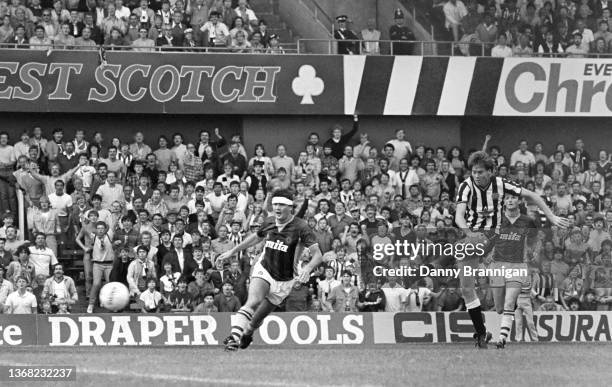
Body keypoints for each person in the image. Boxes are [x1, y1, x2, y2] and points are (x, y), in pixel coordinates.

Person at [455, 149, 569, 348]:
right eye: (474, 172)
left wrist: (551, 217)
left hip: (491, 233)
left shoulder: (501, 183)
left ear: (491, 171)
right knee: (467, 289)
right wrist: (468, 233)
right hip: (472, 236)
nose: (477, 176)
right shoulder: (466, 186)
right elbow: (459, 216)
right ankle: (482, 333)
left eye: (481, 172)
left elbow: (533, 195)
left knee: (462, 249)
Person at [217, 189, 324, 350]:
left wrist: (307, 269)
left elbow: (318, 255)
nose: (277, 208)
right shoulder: (269, 221)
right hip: (265, 268)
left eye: (281, 204)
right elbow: (257, 236)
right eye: (275, 204)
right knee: (253, 301)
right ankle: (234, 337)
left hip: (285, 281)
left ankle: (247, 332)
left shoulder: (301, 227)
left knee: (256, 320)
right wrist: (233, 251)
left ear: (290, 207)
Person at [488, 192, 537, 349]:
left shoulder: (527, 221)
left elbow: (534, 239)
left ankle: (502, 339)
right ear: (504, 202)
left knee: (509, 303)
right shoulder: (496, 220)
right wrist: (484, 256)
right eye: (507, 198)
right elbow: (489, 241)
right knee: (500, 308)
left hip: (517, 266)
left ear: (519, 200)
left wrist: (531, 251)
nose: (510, 200)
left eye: (513, 198)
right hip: (497, 265)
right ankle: (510, 309)